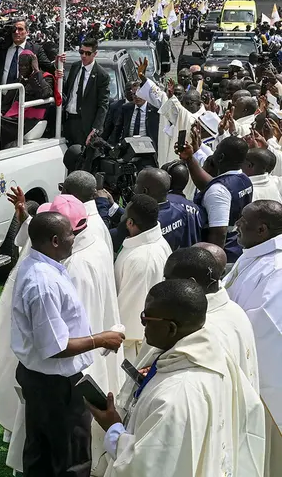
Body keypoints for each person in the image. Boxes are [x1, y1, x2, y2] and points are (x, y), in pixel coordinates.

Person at [87, 279, 266, 477]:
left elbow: (143, 468)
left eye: (146, 319)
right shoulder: (216, 356)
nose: (143, 326)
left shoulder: (176, 394)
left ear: (171, 328)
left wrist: (113, 428)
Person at [11, 211, 125, 477]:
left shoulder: (41, 266)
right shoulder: (43, 284)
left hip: (42, 381)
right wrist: (100, 339)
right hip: (55, 386)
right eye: (70, 234)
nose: (74, 238)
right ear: (54, 240)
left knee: (42, 453)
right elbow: (55, 348)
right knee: (71, 459)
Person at [225, 200, 282, 443]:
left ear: (262, 230)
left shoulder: (276, 269)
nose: (236, 225)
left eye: (243, 222)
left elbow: (265, 326)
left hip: (257, 376)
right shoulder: (255, 251)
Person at [165, 246, 259, 390]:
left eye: (168, 279)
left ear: (192, 283)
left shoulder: (199, 328)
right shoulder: (235, 310)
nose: (164, 285)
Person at [114, 193, 173, 364]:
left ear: (130, 223)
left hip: (134, 346)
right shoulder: (156, 242)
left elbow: (131, 311)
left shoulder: (142, 259)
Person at [183, 136, 254, 262]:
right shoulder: (244, 179)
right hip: (236, 247)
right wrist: (189, 158)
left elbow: (219, 233)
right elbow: (210, 184)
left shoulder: (218, 190)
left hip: (223, 255)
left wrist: (211, 265)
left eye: (216, 150)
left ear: (220, 157)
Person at [61, 38, 110, 146]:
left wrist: (95, 130)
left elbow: (103, 104)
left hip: (84, 125)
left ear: (95, 54)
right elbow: (67, 90)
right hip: (68, 120)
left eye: (88, 53)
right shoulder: (75, 66)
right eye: (81, 52)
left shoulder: (101, 75)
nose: (84, 56)